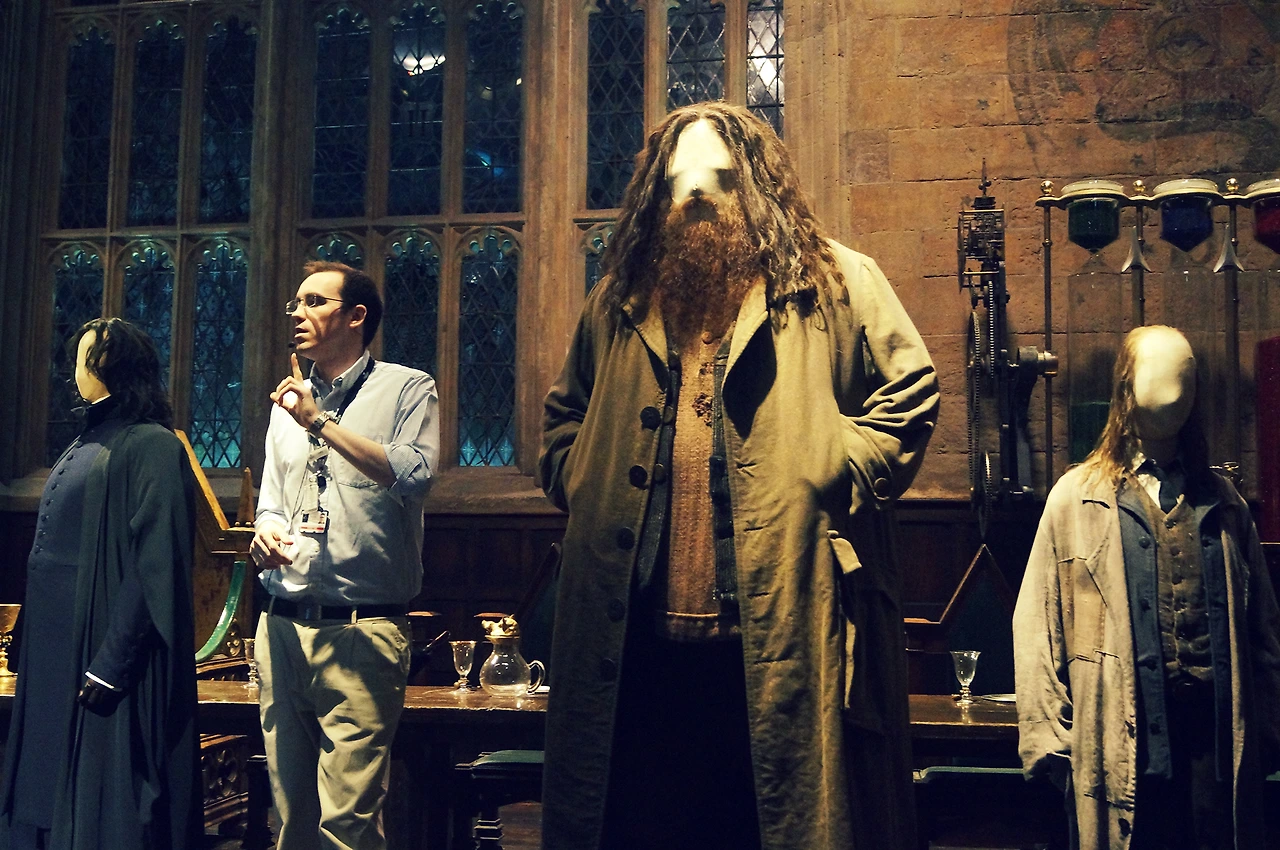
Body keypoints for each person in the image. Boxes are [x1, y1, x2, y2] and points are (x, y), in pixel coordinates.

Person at [539, 102, 939, 850]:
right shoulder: (620, 299)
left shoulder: (837, 281)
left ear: (756, 185)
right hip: (638, 645)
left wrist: (834, 470)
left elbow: (910, 394)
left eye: (719, 178)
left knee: (774, 820)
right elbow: (565, 418)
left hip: (782, 623)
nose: (696, 195)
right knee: (641, 823)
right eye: (677, 182)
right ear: (654, 194)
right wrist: (584, 481)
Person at [1013, 325, 1280, 850]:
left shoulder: (1224, 502)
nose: (1172, 393)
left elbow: (1263, 632)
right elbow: (1036, 628)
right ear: (1125, 387)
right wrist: (1049, 739)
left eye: (1184, 379)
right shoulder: (1075, 499)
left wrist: (1269, 727)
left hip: (1216, 749)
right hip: (1120, 737)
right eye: (1157, 376)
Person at [250, 261, 438, 850]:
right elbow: (272, 502)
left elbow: (413, 473)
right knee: (292, 823)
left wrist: (319, 421)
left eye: (314, 302)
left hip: (361, 630)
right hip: (281, 628)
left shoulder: (407, 388)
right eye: (295, 303)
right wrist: (265, 533)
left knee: (346, 825)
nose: (297, 314)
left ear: (357, 316)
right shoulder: (286, 400)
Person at [0, 318, 200, 850]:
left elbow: (154, 564)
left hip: (99, 651)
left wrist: (111, 665)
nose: (73, 372)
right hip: (53, 652)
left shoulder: (152, 445)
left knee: (101, 805)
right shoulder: (88, 439)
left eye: (81, 360)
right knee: (42, 792)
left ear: (108, 365)